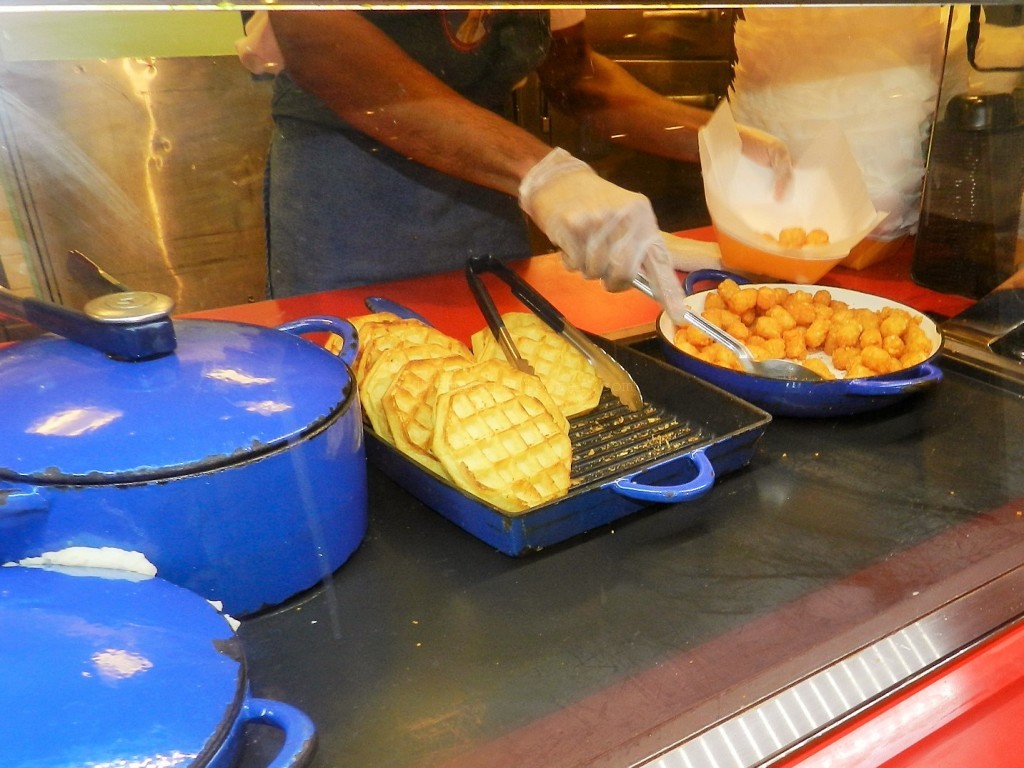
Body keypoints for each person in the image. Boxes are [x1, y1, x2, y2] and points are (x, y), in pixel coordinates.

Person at [236, 10, 790, 313]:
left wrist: (716, 140)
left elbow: (579, 80)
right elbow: (332, 52)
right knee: (360, 384)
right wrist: (544, 173)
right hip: (347, 191)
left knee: (501, 367)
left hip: (485, 182)